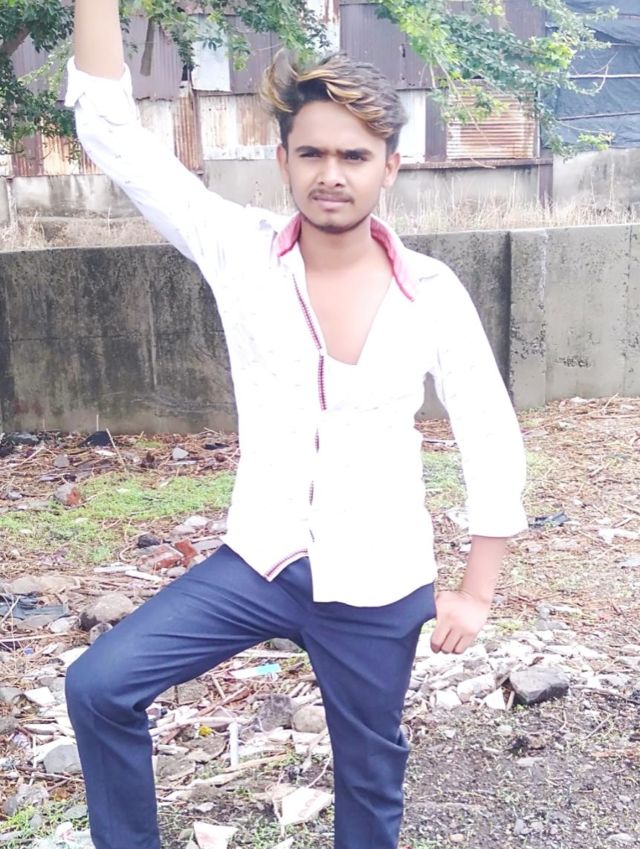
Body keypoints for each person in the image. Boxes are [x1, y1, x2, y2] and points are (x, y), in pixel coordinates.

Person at [64, 2, 528, 848]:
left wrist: (476, 589)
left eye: (354, 155)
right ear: (283, 160)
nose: (331, 174)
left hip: (381, 581)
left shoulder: (432, 292)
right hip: (262, 561)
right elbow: (112, 133)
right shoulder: (238, 249)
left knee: (369, 779)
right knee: (100, 684)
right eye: (312, 153)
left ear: (390, 167)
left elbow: (489, 434)